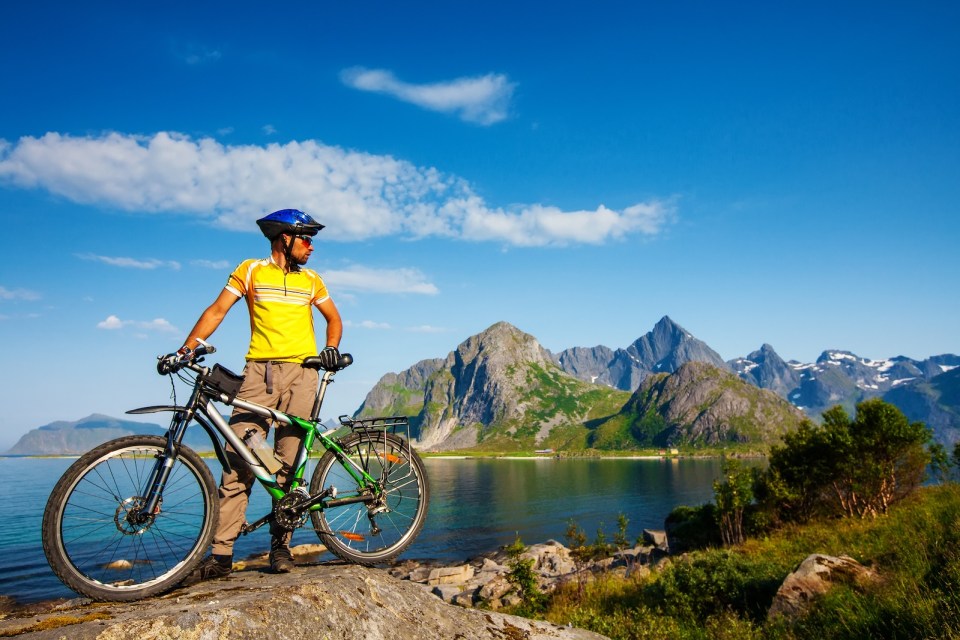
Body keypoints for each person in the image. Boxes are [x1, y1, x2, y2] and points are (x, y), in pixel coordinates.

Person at [165, 208, 343, 583]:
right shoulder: (250, 270)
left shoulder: (313, 280)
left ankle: (281, 547)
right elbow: (217, 311)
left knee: (288, 465)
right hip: (258, 374)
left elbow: (334, 318)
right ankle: (222, 556)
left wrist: (330, 347)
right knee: (238, 461)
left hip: (304, 374)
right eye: (306, 239)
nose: (311, 247)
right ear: (285, 238)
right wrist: (185, 349)